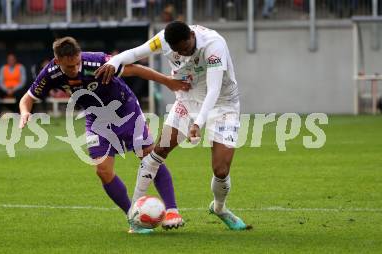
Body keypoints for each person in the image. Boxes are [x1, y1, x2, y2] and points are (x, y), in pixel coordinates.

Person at [19, 37, 190, 234]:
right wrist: (25, 112)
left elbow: (134, 69)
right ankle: (133, 217)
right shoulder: (50, 73)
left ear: (80, 55)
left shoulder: (98, 62)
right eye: (69, 66)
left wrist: (168, 81)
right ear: (58, 61)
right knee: (103, 170)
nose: (74, 69)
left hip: (126, 111)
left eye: (76, 63)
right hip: (96, 118)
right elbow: (28, 98)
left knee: (150, 157)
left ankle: (171, 210)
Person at [96, 21, 252, 231]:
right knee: (158, 150)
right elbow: (134, 54)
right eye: (178, 51)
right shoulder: (163, 39)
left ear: (190, 35)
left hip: (223, 104)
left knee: (221, 169)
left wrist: (198, 123)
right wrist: (114, 62)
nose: (183, 54)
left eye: (185, 49)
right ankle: (134, 215)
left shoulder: (214, 45)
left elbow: (214, 89)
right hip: (187, 101)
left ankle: (219, 208)